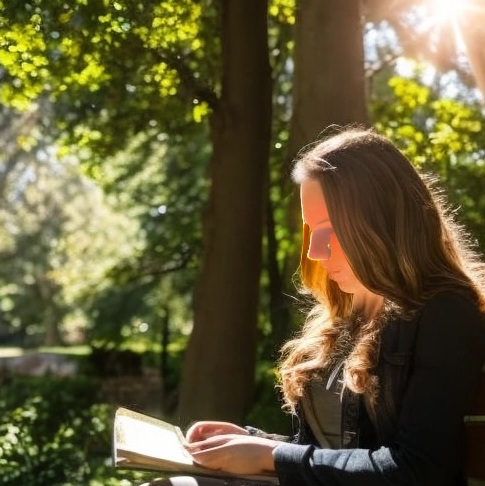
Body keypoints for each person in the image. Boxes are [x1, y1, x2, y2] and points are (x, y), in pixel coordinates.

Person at [146, 127, 485, 486]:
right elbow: (328, 453)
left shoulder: (445, 314)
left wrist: (270, 457)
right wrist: (250, 443)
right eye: (311, 231)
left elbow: (419, 469)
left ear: (379, 221)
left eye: (328, 230)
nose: (314, 252)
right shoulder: (344, 317)